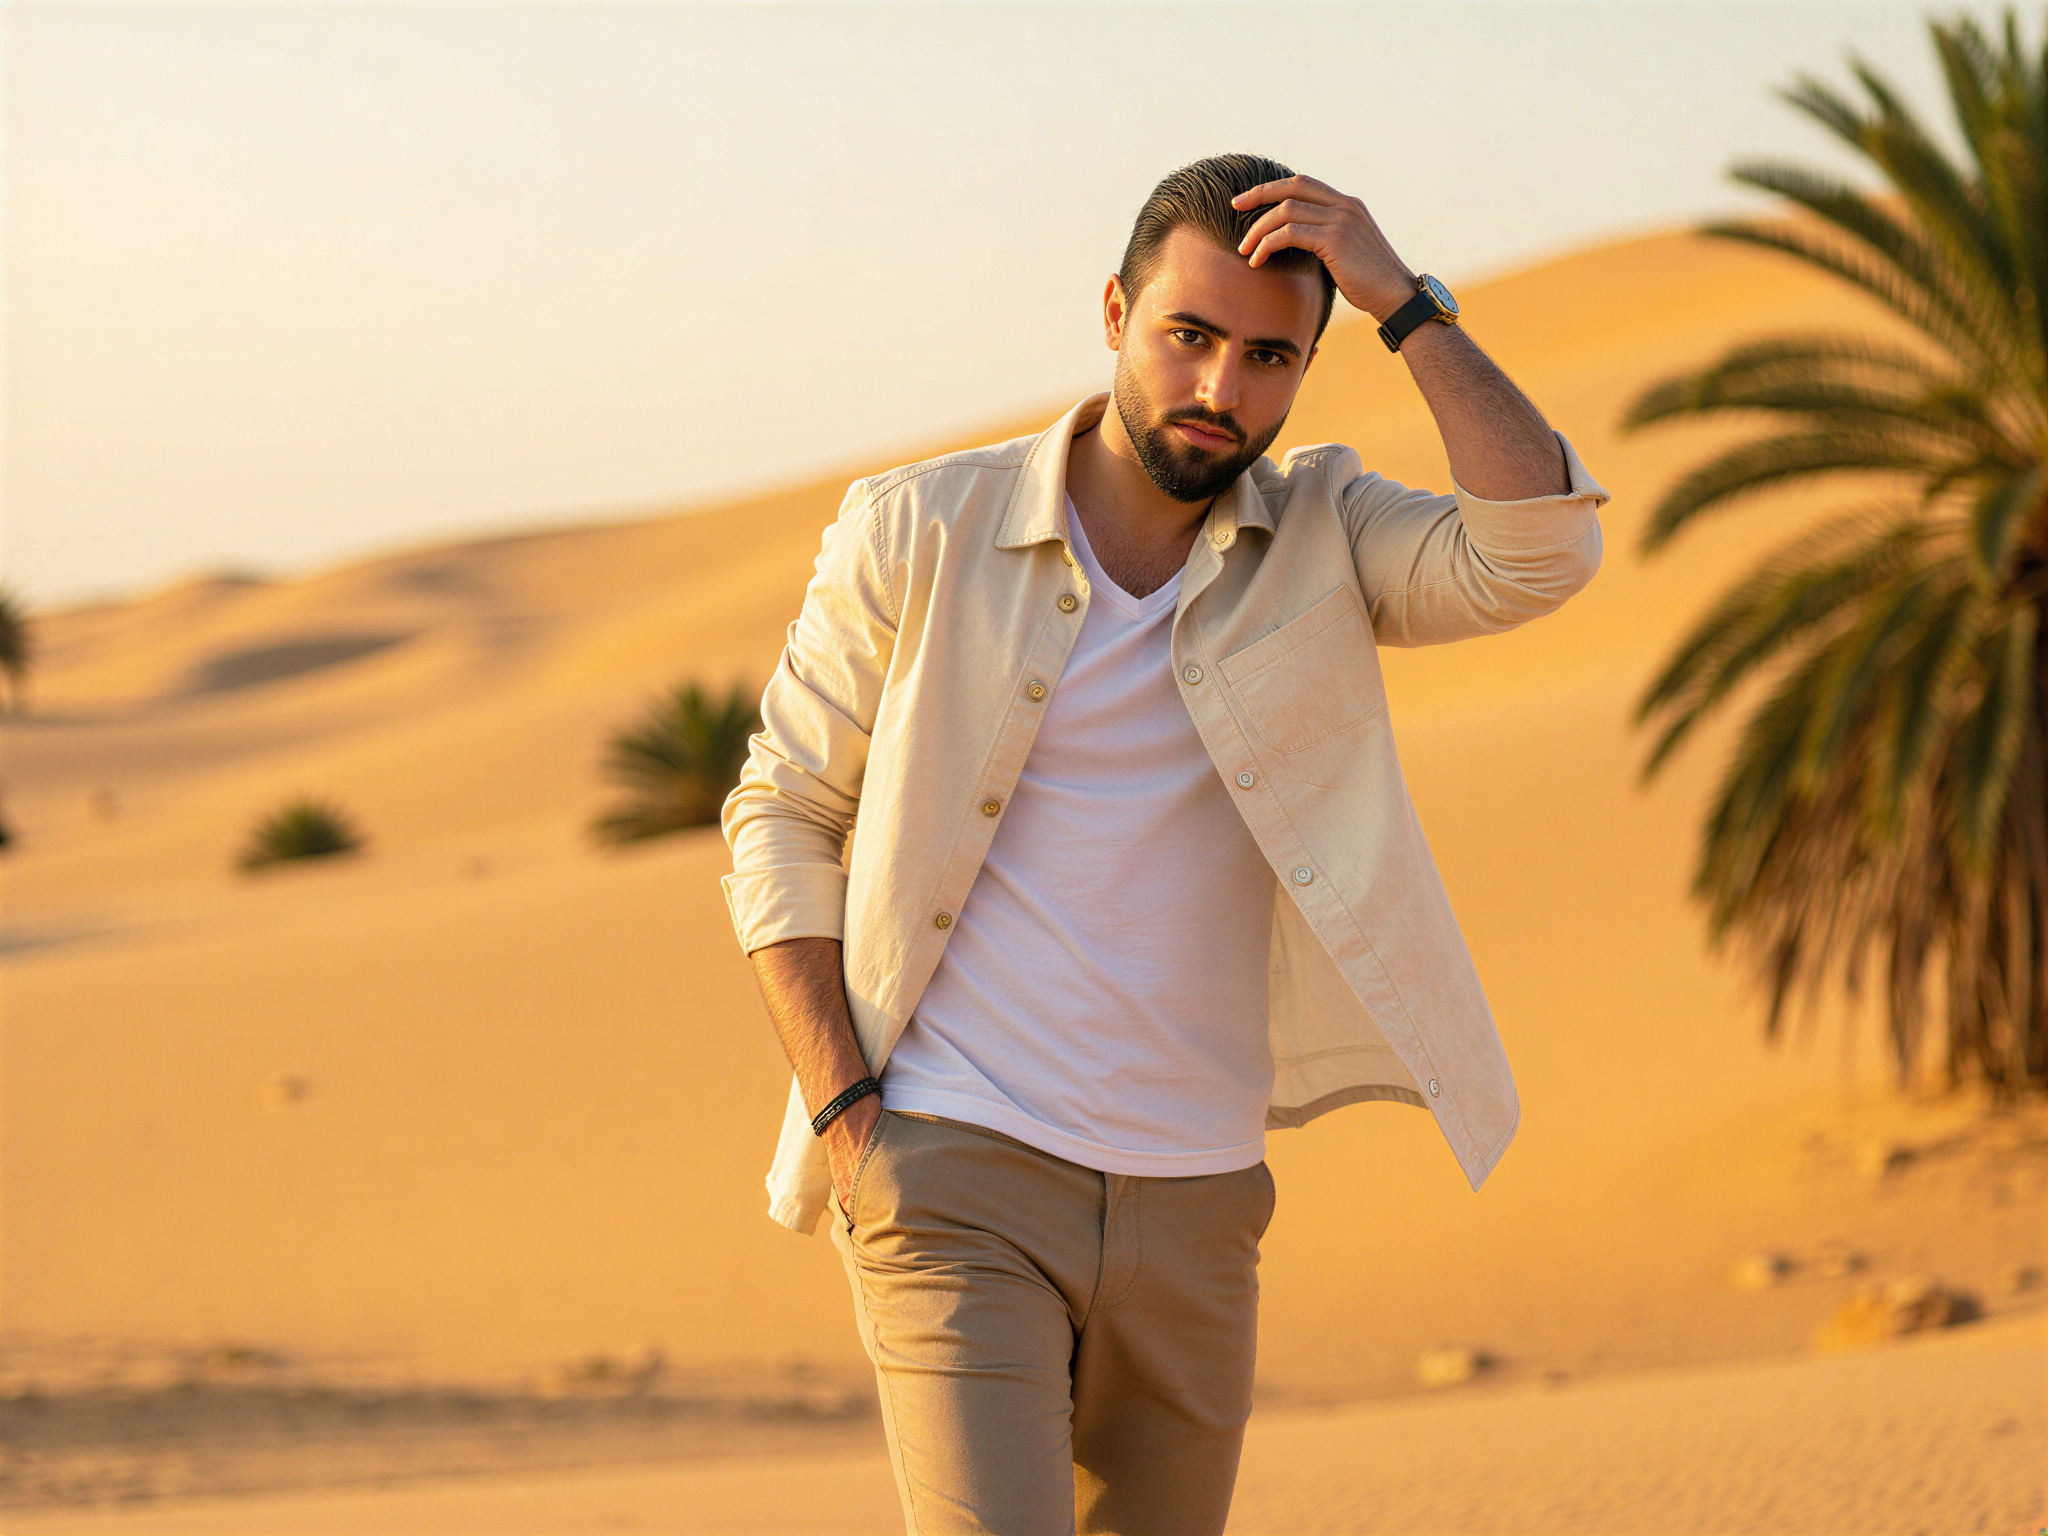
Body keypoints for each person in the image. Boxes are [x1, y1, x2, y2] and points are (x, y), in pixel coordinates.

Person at [720, 152, 1609, 1535]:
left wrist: (1405, 303)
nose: (1220, 390)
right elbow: (781, 808)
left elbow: (1539, 552)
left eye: (1269, 356)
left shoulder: (1326, 528)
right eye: (1187, 337)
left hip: (1198, 1200)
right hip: (956, 1166)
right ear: (1117, 312)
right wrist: (849, 1115)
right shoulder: (921, 531)